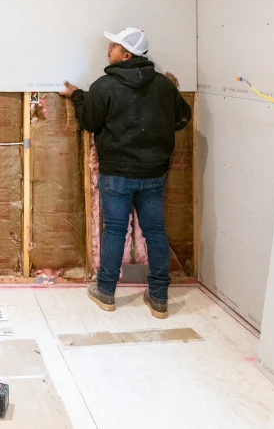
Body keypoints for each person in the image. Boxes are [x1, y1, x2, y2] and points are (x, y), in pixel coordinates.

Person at [59, 27, 191, 319]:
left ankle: (105, 292)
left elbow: (89, 121)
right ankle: (158, 297)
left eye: (114, 45)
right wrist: (171, 92)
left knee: (115, 230)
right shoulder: (162, 86)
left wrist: (77, 95)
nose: (109, 49)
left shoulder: (105, 86)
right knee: (155, 232)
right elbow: (182, 118)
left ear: (126, 54)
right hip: (153, 173)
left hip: (117, 173)